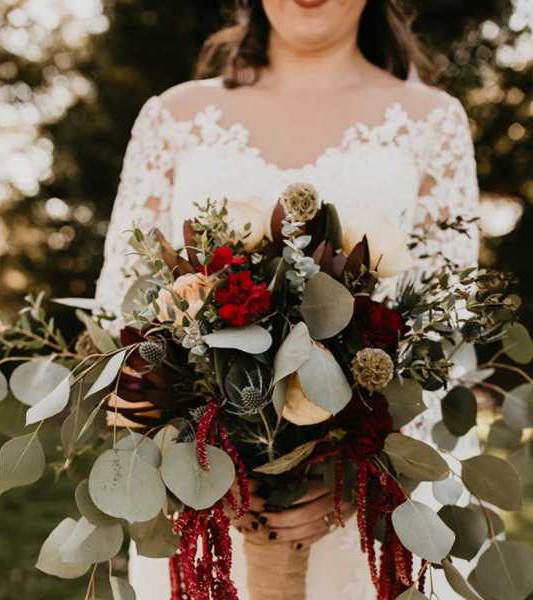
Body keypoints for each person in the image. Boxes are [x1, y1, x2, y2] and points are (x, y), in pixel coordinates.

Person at [95, 1, 480, 597]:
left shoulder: (433, 121)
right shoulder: (174, 117)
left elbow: (447, 329)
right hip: (206, 505)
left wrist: (358, 472)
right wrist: (202, 462)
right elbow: (123, 311)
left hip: (379, 508)